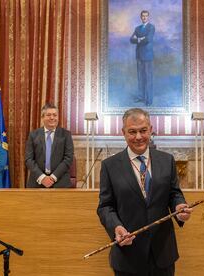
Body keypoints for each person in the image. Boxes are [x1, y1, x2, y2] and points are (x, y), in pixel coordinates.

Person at [97, 108, 192, 275]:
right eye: (132, 132)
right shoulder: (109, 166)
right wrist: (116, 227)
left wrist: (179, 208)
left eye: (143, 130)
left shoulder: (167, 160)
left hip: (162, 253)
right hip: (128, 255)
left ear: (151, 129)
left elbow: (174, 194)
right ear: (123, 132)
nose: (138, 137)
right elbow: (105, 206)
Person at [25, 103, 74, 188]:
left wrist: (53, 177)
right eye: (48, 115)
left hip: (60, 183)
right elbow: (29, 159)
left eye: (55, 115)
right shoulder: (33, 135)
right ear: (42, 118)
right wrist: (42, 178)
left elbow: (68, 158)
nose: (52, 118)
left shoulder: (66, 135)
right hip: (37, 182)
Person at [130, 10, 155, 106]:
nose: (144, 17)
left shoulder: (151, 27)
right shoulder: (137, 28)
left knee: (148, 78)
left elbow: (148, 39)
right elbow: (131, 39)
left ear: (148, 17)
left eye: (146, 16)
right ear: (141, 17)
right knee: (140, 78)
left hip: (148, 56)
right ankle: (141, 97)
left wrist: (138, 39)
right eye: (143, 16)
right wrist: (140, 38)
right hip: (139, 56)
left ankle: (149, 99)